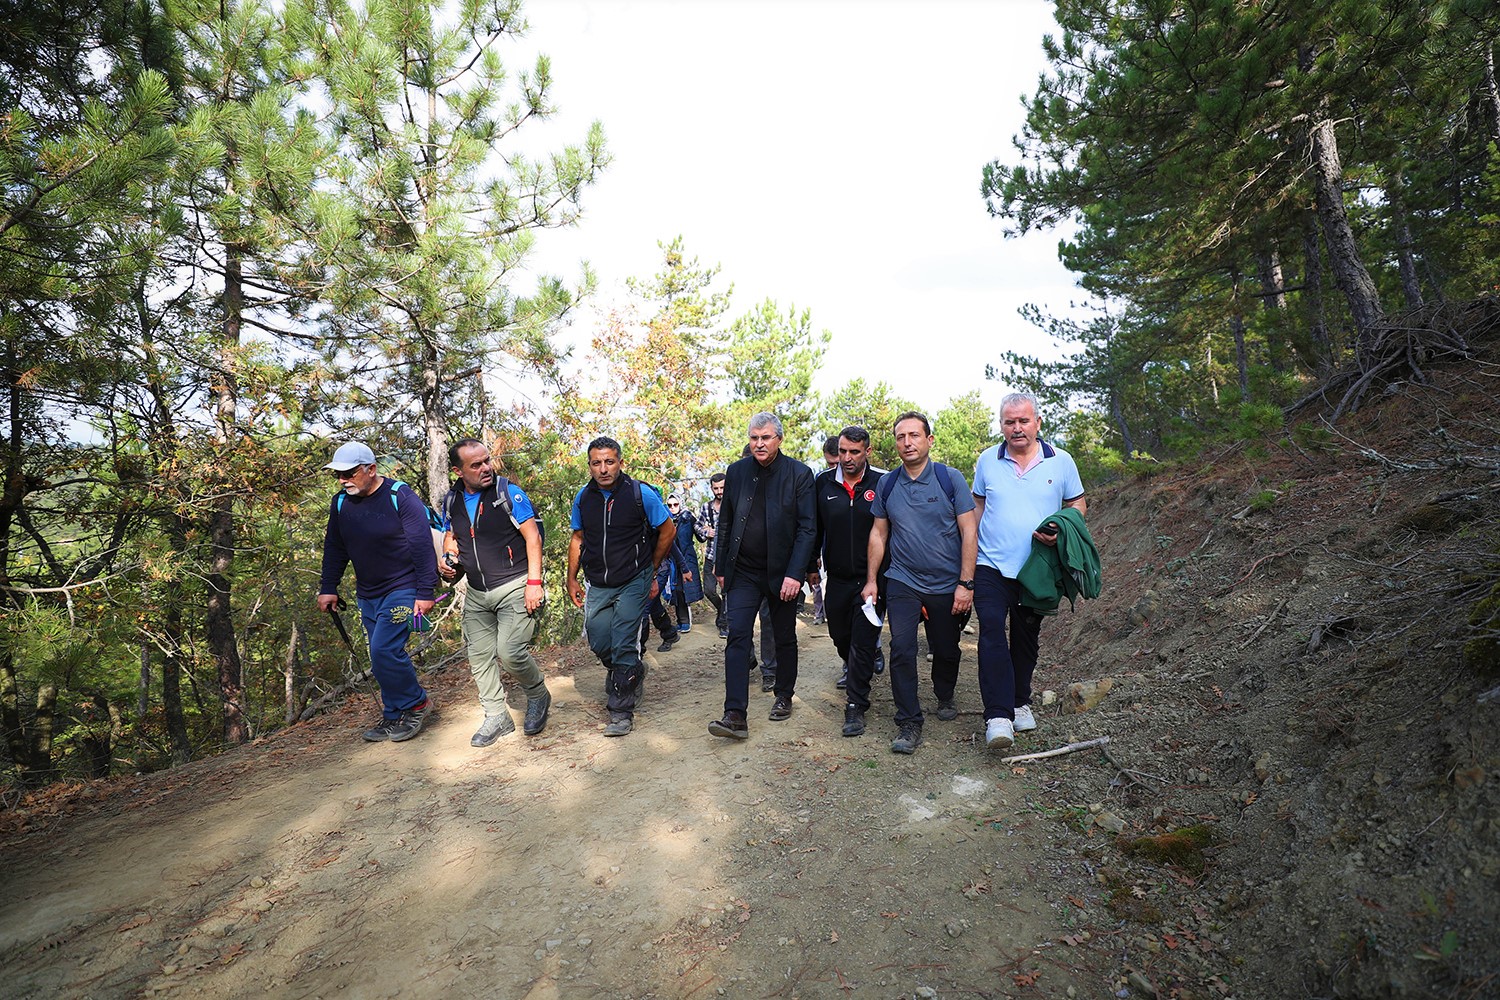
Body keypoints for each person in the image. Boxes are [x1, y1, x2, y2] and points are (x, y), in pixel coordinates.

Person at [971, 392, 1086, 749]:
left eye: (1023, 421)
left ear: (1037, 422)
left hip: (1036, 570)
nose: (1017, 428)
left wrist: (1062, 529)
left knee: (1025, 640)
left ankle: (1020, 701)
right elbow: (976, 509)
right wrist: (967, 560)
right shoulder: (987, 460)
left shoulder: (1061, 461)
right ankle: (998, 716)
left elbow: (1077, 503)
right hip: (991, 564)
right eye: (1009, 422)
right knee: (990, 632)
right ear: (1001, 425)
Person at [863, 412, 978, 754]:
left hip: (946, 582)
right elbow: (878, 533)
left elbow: (969, 530)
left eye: (914, 435)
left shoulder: (949, 479)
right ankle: (908, 721)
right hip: (902, 579)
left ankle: (944, 692)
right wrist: (872, 580)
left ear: (929, 440)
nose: (907, 442)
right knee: (901, 648)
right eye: (901, 437)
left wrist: (966, 583)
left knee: (945, 649)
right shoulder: (887, 484)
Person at [317, 441, 438, 743]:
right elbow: (335, 546)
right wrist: (328, 587)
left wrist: (425, 593)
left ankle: (417, 704)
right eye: (338, 475)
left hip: (404, 587)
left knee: (384, 649)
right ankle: (395, 712)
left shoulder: (400, 496)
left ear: (371, 469)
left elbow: (422, 547)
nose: (343, 480)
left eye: (349, 473)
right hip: (367, 593)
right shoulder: (341, 503)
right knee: (378, 654)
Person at [438, 438, 553, 747]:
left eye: (487, 460)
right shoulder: (452, 501)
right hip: (477, 592)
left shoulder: (508, 493)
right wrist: (448, 561)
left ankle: (538, 694)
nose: (485, 468)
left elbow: (532, 538)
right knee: (479, 656)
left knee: (511, 652)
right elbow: (452, 537)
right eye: (476, 465)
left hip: (515, 585)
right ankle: (496, 716)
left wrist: (534, 583)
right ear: (458, 471)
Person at [708, 413, 816, 739]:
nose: (759, 444)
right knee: (737, 635)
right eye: (754, 438)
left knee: (783, 636)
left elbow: (807, 529)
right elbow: (725, 521)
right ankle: (735, 714)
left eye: (766, 438)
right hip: (743, 571)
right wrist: (722, 568)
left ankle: (784, 694)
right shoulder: (737, 472)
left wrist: (796, 574)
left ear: (779, 439)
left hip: (783, 574)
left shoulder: (799, 474)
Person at [567, 437, 676, 737]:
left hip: (634, 578)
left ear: (620, 463)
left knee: (625, 639)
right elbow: (578, 538)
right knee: (600, 641)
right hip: (599, 582)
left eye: (609, 462)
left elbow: (668, 529)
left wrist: (652, 567)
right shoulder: (583, 498)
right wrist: (571, 578)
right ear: (589, 465)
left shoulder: (640, 494)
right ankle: (628, 672)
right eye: (596, 463)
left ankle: (621, 709)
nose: (603, 469)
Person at [809, 426, 886, 737]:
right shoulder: (823, 484)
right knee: (841, 636)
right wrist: (810, 566)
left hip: (873, 580)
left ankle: (856, 704)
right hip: (837, 578)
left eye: (854, 452)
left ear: (867, 451)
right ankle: (854, 662)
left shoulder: (882, 483)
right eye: (842, 452)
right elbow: (813, 528)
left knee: (863, 643)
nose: (847, 458)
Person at [662, 492, 703, 631]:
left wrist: (709, 531)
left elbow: (701, 535)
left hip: (687, 557)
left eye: (675, 504)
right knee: (675, 590)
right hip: (672, 560)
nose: (673, 507)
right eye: (669, 505)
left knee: (685, 590)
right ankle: (681, 620)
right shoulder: (665, 520)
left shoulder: (688, 518)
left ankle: (686, 620)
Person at [695, 473, 727, 636]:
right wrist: (706, 531)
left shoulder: (733, 505)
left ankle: (723, 623)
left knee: (726, 590)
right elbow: (697, 526)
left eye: (722, 487)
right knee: (708, 590)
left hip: (727, 557)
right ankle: (722, 609)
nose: (719, 491)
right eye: (716, 488)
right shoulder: (707, 507)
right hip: (710, 555)